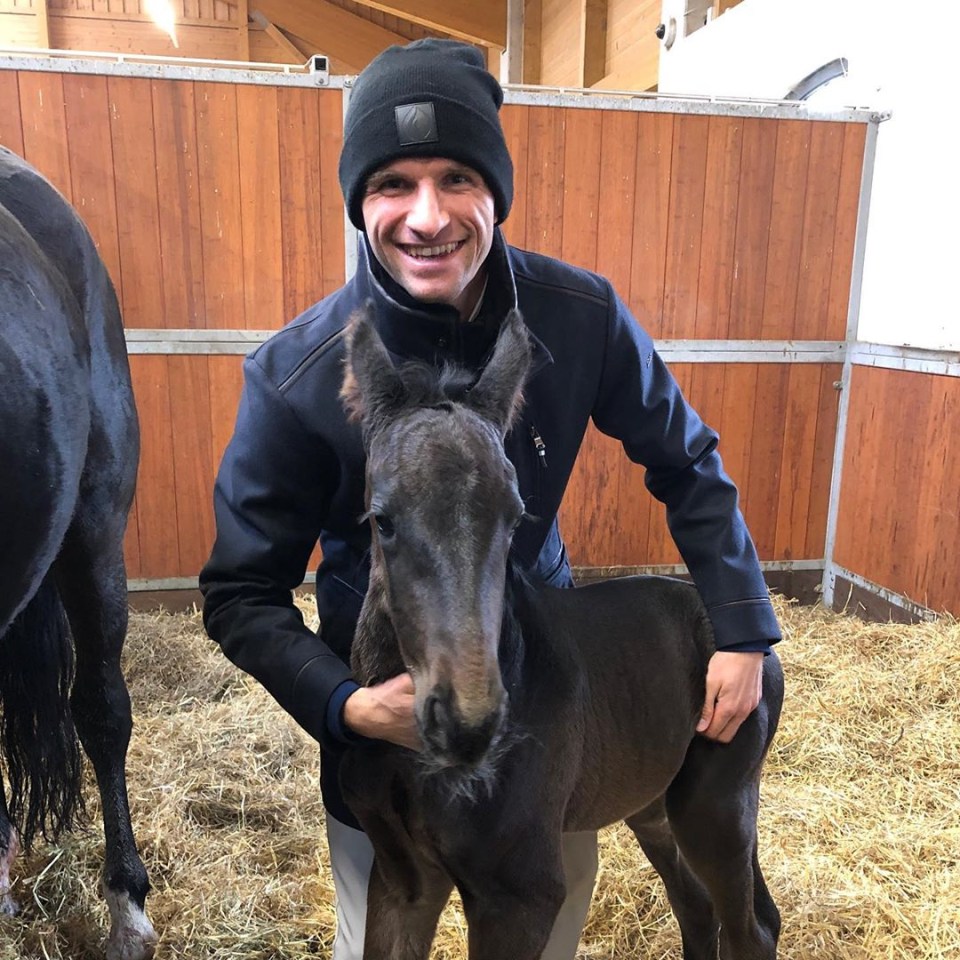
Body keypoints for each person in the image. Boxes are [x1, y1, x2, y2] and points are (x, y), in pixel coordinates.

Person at [199, 37, 782, 960]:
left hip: (541, 663)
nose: (426, 216)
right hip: (381, 668)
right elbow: (239, 594)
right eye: (392, 183)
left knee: (540, 889)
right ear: (359, 200)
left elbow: (687, 459)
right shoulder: (297, 376)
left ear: (494, 193)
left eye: (456, 178)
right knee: (385, 902)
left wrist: (743, 626)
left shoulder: (578, 314)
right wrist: (345, 703)